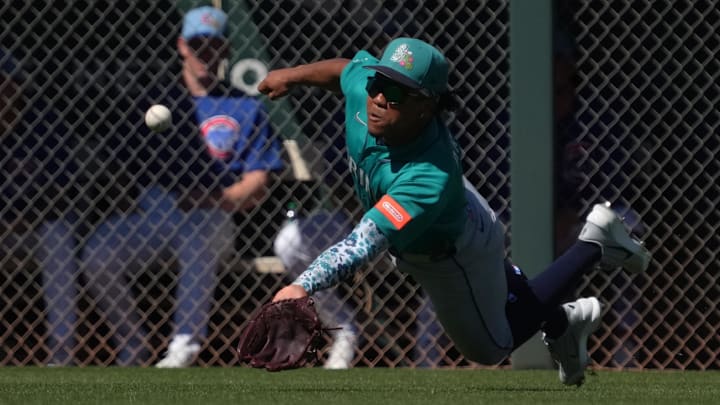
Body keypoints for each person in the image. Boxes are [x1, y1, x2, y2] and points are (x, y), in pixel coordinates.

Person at [258, 37, 651, 385]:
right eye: (379, 83)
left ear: (425, 106)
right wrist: (292, 75)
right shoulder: (369, 91)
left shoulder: (428, 176)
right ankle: (561, 322)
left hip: (454, 250)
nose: (378, 97)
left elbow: (365, 242)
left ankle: (592, 245)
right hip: (445, 215)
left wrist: (303, 286)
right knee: (505, 299)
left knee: (491, 348)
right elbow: (348, 70)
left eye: (395, 93)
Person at [82, 6, 283, 367]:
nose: (204, 53)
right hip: (157, 214)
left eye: (213, 45)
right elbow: (124, 175)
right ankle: (133, 343)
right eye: (197, 44)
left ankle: (184, 346)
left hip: (217, 220)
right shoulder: (156, 102)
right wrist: (131, 199)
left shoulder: (244, 105)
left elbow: (256, 184)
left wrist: (215, 199)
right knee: (99, 253)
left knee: (197, 234)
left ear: (225, 49)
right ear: (182, 46)